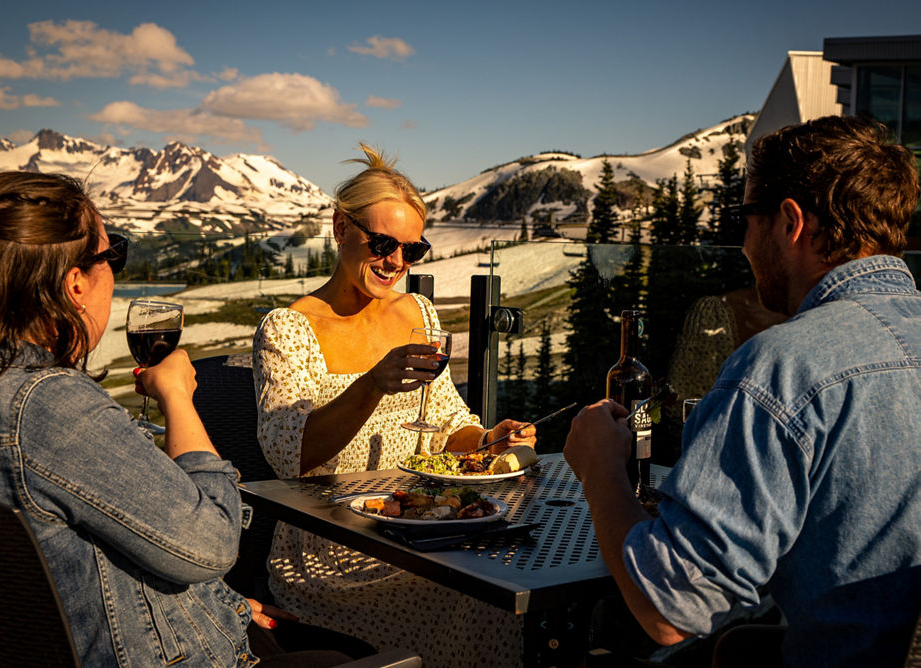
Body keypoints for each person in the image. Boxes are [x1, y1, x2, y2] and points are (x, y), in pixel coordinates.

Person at [0, 172, 369, 667]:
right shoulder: (52, 407)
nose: (116, 275)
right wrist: (178, 397)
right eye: (114, 255)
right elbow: (215, 542)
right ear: (75, 284)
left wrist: (219, 604)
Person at [563, 115, 921, 667]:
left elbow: (668, 608)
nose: (743, 242)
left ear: (790, 221)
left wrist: (599, 469)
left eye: (745, 217)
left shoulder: (784, 367)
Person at [253, 144, 536, 667]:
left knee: (504, 583)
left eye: (413, 250)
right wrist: (370, 385)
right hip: (333, 558)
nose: (397, 263)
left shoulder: (418, 313)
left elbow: (449, 423)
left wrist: (492, 440)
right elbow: (288, 456)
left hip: (420, 533)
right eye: (383, 242)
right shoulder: (288, 329)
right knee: (484, 593)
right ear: (341, 229)